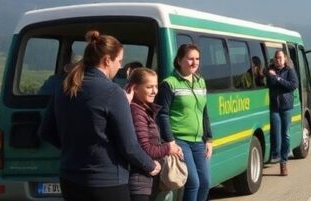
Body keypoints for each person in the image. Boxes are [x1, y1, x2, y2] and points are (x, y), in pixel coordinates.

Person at [39, 31, 160, 201]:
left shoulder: (64, 88)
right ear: (107, 60)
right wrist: (150, 165)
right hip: (107, 182)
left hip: (70, 178)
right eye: (119, 61)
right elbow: (129, 146)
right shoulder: (112, 93)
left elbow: (46, 131)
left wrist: (74, 149)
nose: (120, 66)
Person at [155, 44, 212, 201]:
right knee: (193, 182)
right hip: (180, 141)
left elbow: (204, 113)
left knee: (206, 182)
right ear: (179, 60)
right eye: (190, 59)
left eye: (197, 59)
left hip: (199, 141)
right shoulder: (169, 83)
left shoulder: (200, 81)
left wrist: (209, 139)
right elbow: (163, 115)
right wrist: (171, 142)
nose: (195, 62)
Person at [127, 67, 183, 201]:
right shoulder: (137, 113)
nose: (154, 91)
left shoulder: (145, 110)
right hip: (140, 183)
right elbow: (145, 148)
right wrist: (169, 148)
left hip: (149, 180)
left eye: (156, 86)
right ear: (135, 88)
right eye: (149, 87)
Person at [266, 48, 298, 176]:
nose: (278, 60)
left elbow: (293, 85)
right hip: (274, 106)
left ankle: (284, 162)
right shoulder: (270, 71)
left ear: (285, 59)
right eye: (276, 58)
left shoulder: (289, 71)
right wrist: (271, 75)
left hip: (286, 106)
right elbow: (269, 83)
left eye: (280, 58)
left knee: (286, 134)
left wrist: (278, 78)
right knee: (276, 131)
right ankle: (276, 155)